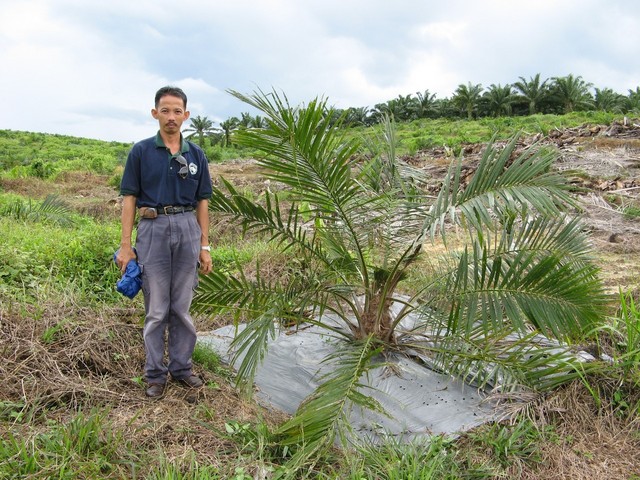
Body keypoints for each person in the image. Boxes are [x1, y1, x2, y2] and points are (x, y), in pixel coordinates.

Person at [116, 86, 213, 398]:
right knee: (156, 309)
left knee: (182, 307)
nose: (171, 117)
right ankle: (155, 374)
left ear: (186, 115)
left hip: (187, 229)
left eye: (177, 111)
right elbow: (129, 199)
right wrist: (126, 245)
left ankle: (182, 367)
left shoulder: (196, 154)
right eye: (165, 110)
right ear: (155, 113)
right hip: (153, 227)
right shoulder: (141, 152)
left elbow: (203, 203)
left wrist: (204, 245)